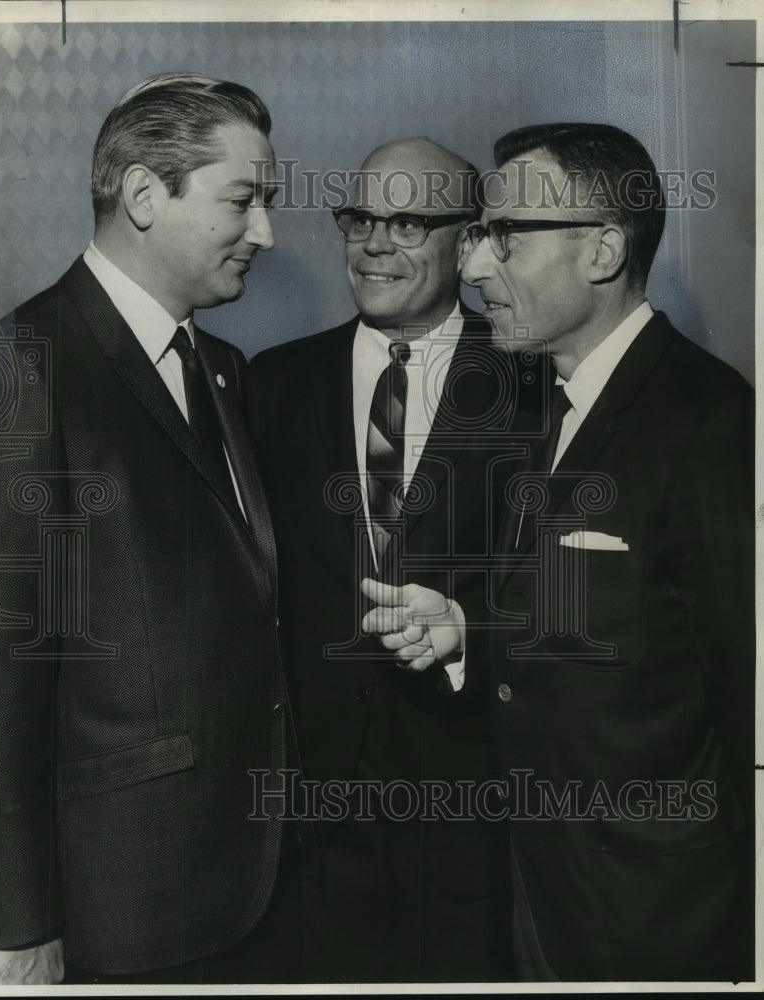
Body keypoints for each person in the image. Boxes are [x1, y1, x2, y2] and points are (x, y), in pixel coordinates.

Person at [370, 122, 755, 982]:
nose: (472, 269)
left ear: (604, 250)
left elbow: (747, 700)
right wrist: (471, 627)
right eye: (476, 238)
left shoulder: (712, 423)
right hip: (541, 899)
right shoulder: (549, 406)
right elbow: (626, 620)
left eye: (506, 237)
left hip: (662, 922)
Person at [0, 72, 294, 985]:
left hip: (255, 879)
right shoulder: (20, 365)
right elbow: (4, 670)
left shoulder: (225, 367)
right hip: (124, 901)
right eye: (243, 199)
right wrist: (18, 921)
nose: (268, 232)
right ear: (144, 195)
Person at [249, 137, 537, 982]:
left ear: (469, 238)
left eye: (407, 220)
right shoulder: (269, 384)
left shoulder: (536, 384)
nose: (374, 243)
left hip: (481, 811)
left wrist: (471, 634)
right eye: (360, 217)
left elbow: (581, 592)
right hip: (308, 827)